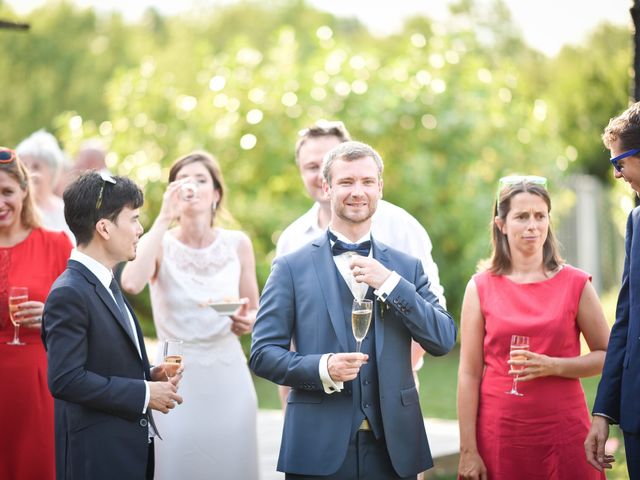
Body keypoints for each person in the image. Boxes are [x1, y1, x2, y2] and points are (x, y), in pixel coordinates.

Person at [250, 141, 457, 479]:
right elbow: (262, 354)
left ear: (380, 187)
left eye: (367, 181)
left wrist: (390, 284)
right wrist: (322, 367)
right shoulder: (289, 268)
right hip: (317, 445)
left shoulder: (406, 267)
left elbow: (443, 339)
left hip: (394, 448)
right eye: (346, 182)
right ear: (327, 187)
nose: (357, 191)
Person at [276, 120, 444, 407]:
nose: (320, 173)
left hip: (389, 401)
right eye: (312, 166)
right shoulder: (291, 239)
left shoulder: (401, 226)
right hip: (315, 402)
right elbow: (284, 337)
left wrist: (396, 375)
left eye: (330, 160)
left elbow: (429, 314)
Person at [457, 176, 610, 480]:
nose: (532, 225)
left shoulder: (576, 283)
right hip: (500, 432)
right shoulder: (480, 287)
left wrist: (553, 365)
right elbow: (469, 373)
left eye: (540, 216)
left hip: (564, 431)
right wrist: (468, 451)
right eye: (522, 216)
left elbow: (608, 354)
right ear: (501, 224)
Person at [120, 151, 260, 479]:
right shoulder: (160, 243)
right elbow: (130, 281)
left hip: (229, 375)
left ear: (216, 193)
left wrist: (247, 320)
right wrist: (163, 217)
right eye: (182, 181)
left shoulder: (238, 243)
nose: (192, 187)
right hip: (175, 378)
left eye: (201, 180)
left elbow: (253, 308)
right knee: (179, 465)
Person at [42, 171, 183, 480]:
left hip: (124, 452)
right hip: (97, 458)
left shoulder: (104, 282)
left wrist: (148, 375)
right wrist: (144, 393)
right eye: (133, 219)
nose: (139, 229)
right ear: (104, 228)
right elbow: (66, 380)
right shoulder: (69, 292)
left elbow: (103, 363)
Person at [0, 147, 72, 480]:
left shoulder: (56, 244)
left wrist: (50, 317)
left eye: (7, 192)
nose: (1, 202)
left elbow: (83, 316)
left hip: (37, 384)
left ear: (24, 191)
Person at [585, 101, 640, 480]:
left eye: (619, 163)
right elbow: (624, 322)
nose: (618, 174)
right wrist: (604, 410)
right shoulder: (636, 221)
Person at [16, 130, 74, 242]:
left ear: (52, 172)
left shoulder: (67, 210)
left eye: (36, 167)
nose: (28, 173)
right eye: (24, 166)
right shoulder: (16, 211)